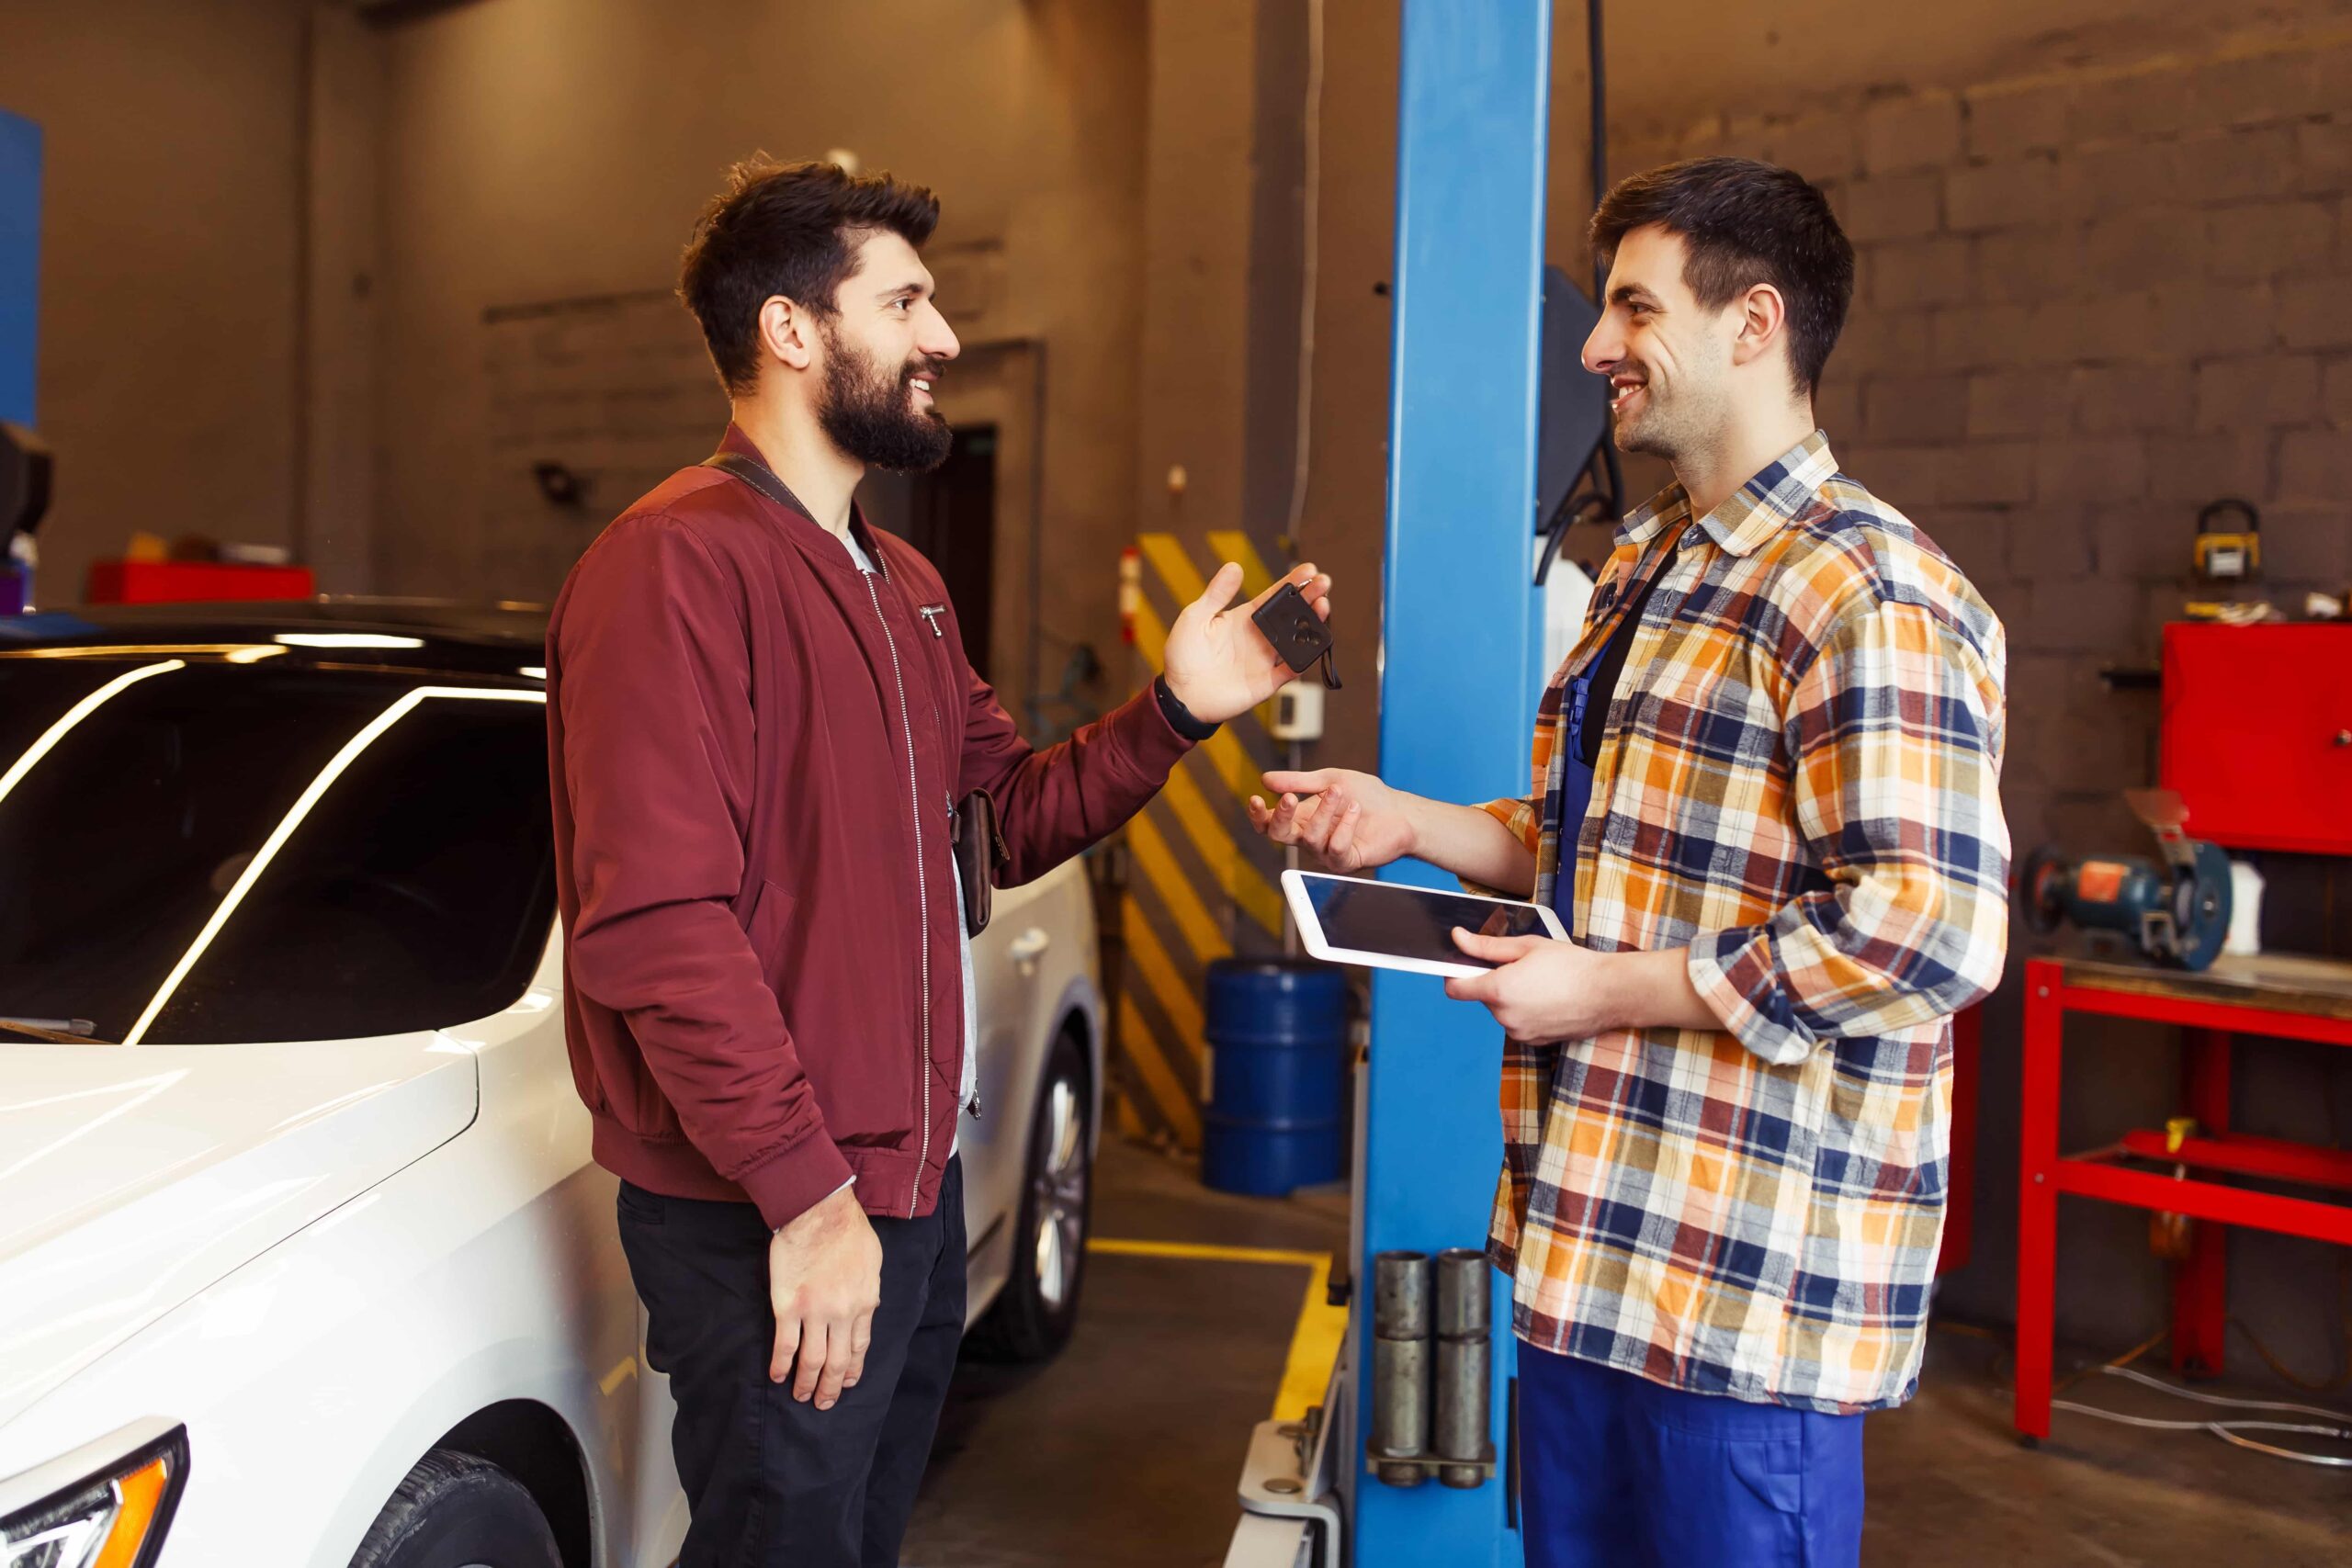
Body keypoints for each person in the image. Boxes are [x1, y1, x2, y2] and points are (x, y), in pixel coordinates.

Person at [548, 156, 1332, 1567]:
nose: (943, 338)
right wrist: (805, 1195)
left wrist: (1175, 711)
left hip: (900, 1195)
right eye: (905, 301)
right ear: (793, 332)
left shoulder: (901, 588)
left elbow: (1008, 818)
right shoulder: (672, 566)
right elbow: (657, 923)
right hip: (771, 1212)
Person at [1249, 157, 2008, 1566]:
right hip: (1589, 1263)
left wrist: (1604, 993)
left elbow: (1931, 929)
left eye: (1632, 309)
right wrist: (1411, 825)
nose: (1597, 347)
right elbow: (1596, 849)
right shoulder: (1650, 568)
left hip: (1741, 1303)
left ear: (1753, 323)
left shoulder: (1867, 593)